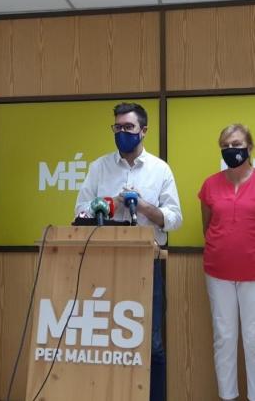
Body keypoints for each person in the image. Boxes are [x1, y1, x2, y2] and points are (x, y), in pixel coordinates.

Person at [75, 102, 182, 401]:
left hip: (147, 263)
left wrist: (145, 207)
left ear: (143, 131)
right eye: (118, 127)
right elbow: (80, 210)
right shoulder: (99, 167)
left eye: (129, 127)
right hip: (104, 264)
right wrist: (109, 204)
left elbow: (175, 218)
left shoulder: (160, 169)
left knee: (152, 343)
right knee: (107, 342)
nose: (122, 132)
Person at [198, 123, 255, 401]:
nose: (230, 150)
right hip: (218, 273)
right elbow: (207, 227)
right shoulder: (210, 185)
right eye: (225, 146)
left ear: (249, 147)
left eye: (236, 144)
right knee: (224, 338)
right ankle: (227, 396)